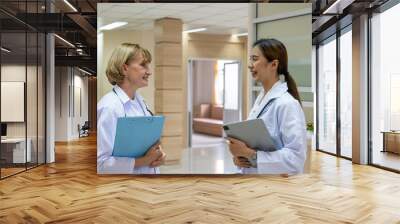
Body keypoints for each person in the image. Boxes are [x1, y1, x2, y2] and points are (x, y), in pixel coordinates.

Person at [228, 38, 307, 175]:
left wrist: (251, 155)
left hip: (272, 188)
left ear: (273, 64)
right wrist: (240, 159)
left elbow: (295, 160)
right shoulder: (260, 100)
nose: (250, 65)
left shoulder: (287, 104)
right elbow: (253, 147)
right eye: (250, 59)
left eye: (255, 59)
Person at [97, 43, 166, 174]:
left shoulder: (141, 102)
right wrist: (144, 161)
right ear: (124, 68)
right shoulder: (109, 107)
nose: (149, 71)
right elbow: (100, 164)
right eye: (143, 65)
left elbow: (147, 144)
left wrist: (159, 155)